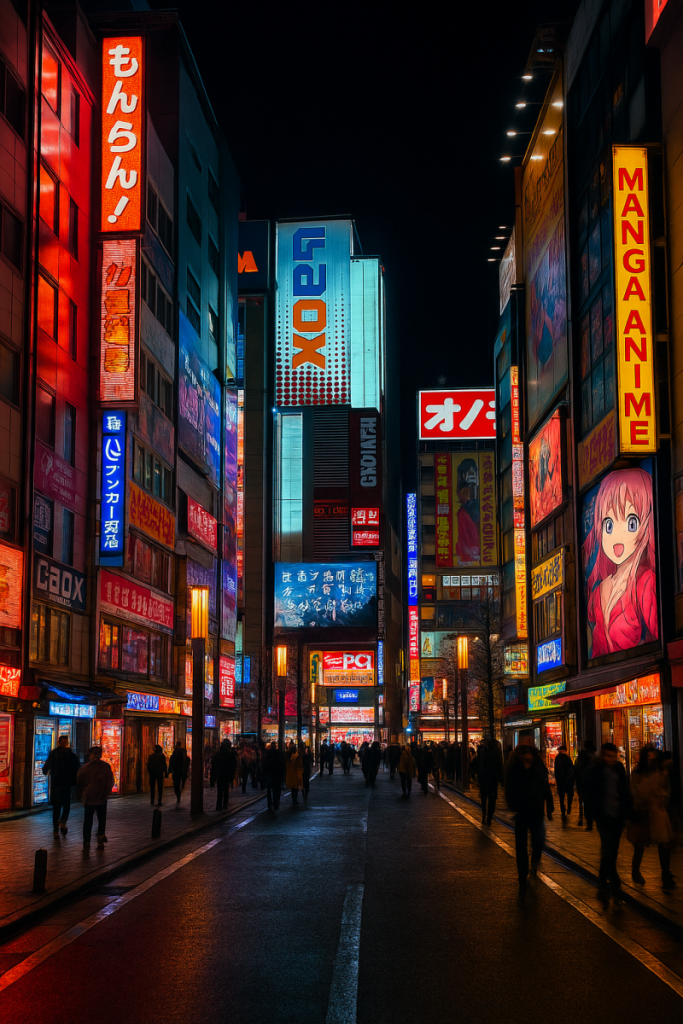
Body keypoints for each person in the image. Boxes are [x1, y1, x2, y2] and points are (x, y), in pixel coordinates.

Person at [582, 468, 658, 658]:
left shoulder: (646, 581)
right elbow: (595, 651)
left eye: (631, 523)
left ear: (647, 524)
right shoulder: (599, 591)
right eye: (609, 525)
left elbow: (660, 637)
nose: (617, 536)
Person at [584, 742, 630, 902]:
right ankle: (614, 879)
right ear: (603, 756)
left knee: (613, 849)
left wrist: (627, 811)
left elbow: (625, 791)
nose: (612, 759)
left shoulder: (619, 769)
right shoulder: (595, 771)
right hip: (603, 815)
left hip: (617, 814)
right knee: (607, 846)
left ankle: (602, 879)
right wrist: (590, 815)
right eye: (609, 756)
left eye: (614, 756)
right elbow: (590, 795)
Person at [628, 745, 675, 890]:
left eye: (653, 758)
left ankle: (666, 875)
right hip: (643, 812)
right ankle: (636, 871)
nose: (651, 760)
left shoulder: (660, 772)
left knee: (664, 844)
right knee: (639, 844)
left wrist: (662, 800)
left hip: (657, 811)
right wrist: (638, 805)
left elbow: (666, 789)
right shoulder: (638, 773)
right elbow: (634, 791)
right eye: (648, 757)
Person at [505, 744, 551, 894]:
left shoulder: (538, 766)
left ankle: (534, 864)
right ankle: (522, 874)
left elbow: (545, 785)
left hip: (537, 809)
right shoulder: (515, 768)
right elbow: (509, 787)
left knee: (539, 839)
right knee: (521, 845)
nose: (527, 757)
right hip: (522, 810)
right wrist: (512, 805)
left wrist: (549, 804)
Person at [76, 746, 114, 848]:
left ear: (91, 755)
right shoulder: (106, 766)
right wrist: (107, 791)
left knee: (88, 820)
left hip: (89, 796)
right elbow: (110, 780)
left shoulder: (86, 767)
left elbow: (79, 779)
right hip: (102, 796)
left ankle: (86, 842)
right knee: (101, 819)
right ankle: (100, 837)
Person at [42, 734, 79, 837]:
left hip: (57, 783)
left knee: (57, 807)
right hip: (65, 784)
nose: (64, 744)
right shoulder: (70, 754)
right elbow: (76, 768)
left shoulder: (54, 753)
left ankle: (56, 829)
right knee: (65, 806)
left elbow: (46, 766)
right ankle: (61, 823)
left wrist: (46, 771)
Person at [477, 736, 504, 825]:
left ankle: (484, 814)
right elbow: (500, 768)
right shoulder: (497, 755)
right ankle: (489, 817)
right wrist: (501, 780)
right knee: (492, 800)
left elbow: (480, 766)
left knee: (484, 799)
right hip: (493, 781)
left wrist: (479, 778)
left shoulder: (484, 753)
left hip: (484, 780)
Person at [210, 739, 238, 811]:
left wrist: (213, 776)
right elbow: (233, 766)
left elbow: (214, 765)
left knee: (220, 790)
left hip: (220, 774)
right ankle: (225, 803)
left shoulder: (218, 753)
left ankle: (219, 805)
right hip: (226, 774)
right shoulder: (230, 754)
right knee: (225, 789)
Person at [574, 739, 597, 828]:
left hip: (582, 781)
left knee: (583, 800)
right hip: (590, 782)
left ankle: (582, 818)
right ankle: (589, 818)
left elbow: (577, 769)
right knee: (589, 800)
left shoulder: (582, 756)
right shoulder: (594, 757)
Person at [553, 745, 574, 824]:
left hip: (560, 781)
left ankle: (563, 810)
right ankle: (569, 807)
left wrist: (557, 779)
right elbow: (572, 769)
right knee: (569, 795)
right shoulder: (568, 758)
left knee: (561, 798)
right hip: (568, 781)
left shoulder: (558, 758)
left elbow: (556, 770)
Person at [264, 741, 285, 810]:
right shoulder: (279, 754)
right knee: (276, 790)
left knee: (269, 790)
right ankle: (276, 803)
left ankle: (270, 804)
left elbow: (265, 765)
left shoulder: (268, 754)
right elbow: (282, 765)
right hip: (277, 775)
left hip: (270, 774)